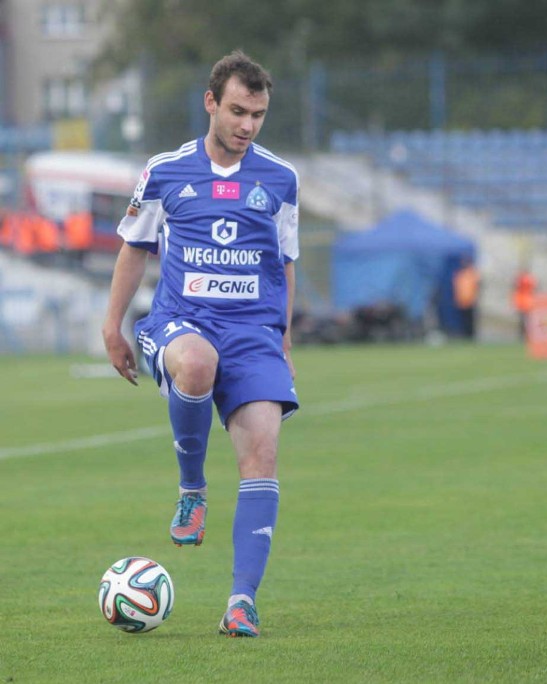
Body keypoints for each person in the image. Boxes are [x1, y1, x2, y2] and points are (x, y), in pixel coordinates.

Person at [102, 50, 300, 638]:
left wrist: (283, 341)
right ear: (211, 102)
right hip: (182, 320)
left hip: (255, 335)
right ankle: (192, 489)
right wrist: (112, 326)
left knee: (262, 455)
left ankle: (242, 602)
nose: (247, 125)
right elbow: (134, 248)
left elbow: (284, 263)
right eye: (238, 111)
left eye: (258, 115)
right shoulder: (164, 171)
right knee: (195, 362)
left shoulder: (282, 178)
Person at [452, 256, 481, 338]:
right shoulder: (459, 274)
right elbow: (456, 287)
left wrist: (475, 297)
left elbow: (477, 286)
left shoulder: (472, 273)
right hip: (461, 301)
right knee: (462, 320)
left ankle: (470, 335)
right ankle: (464, 335)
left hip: (470, 300)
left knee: (470, 320)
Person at [512, 267, 537, 341]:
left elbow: (515, 287)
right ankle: (526, 335)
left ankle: (524, 335)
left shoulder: (520, 279)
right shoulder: (530, 279)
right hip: (528, 300)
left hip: (522, 300)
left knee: (524, 320)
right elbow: (535, 288)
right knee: (526, 319)